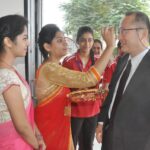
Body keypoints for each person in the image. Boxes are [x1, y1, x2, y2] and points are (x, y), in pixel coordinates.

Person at [34, 24, 115, 150]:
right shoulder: (51, 69)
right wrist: (110, 47)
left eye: (64, 39)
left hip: (61, 123)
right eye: (59, 40)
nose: (65, 43)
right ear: (47, 46)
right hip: (52, 127)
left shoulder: (54, 67)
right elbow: (88, 79)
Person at [96, 11, 150, 150]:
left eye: (124, 31)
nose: (119, 37)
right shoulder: (123, 60)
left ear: (143, 33)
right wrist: (101, 122)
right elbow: (112, 93)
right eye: (120, 31)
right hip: (109, 137)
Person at [0, 14, 46, 150]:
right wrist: (37, 145)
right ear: (8, 42)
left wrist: (38, 136)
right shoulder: (6, 77)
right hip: (13, 145)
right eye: (24, 38)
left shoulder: (10, 70)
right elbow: (22, 126)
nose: (28, 42)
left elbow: (25, 116)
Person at [62, 26, 103, 150]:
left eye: (90, 40)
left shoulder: (98, 61)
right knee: (72, 143)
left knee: (87, 145)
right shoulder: (68, 61)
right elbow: (65, 86)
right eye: (83, 40)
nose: (87, 43)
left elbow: (102, 82)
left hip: (93, 109)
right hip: (75, 109)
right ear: (77, 41)